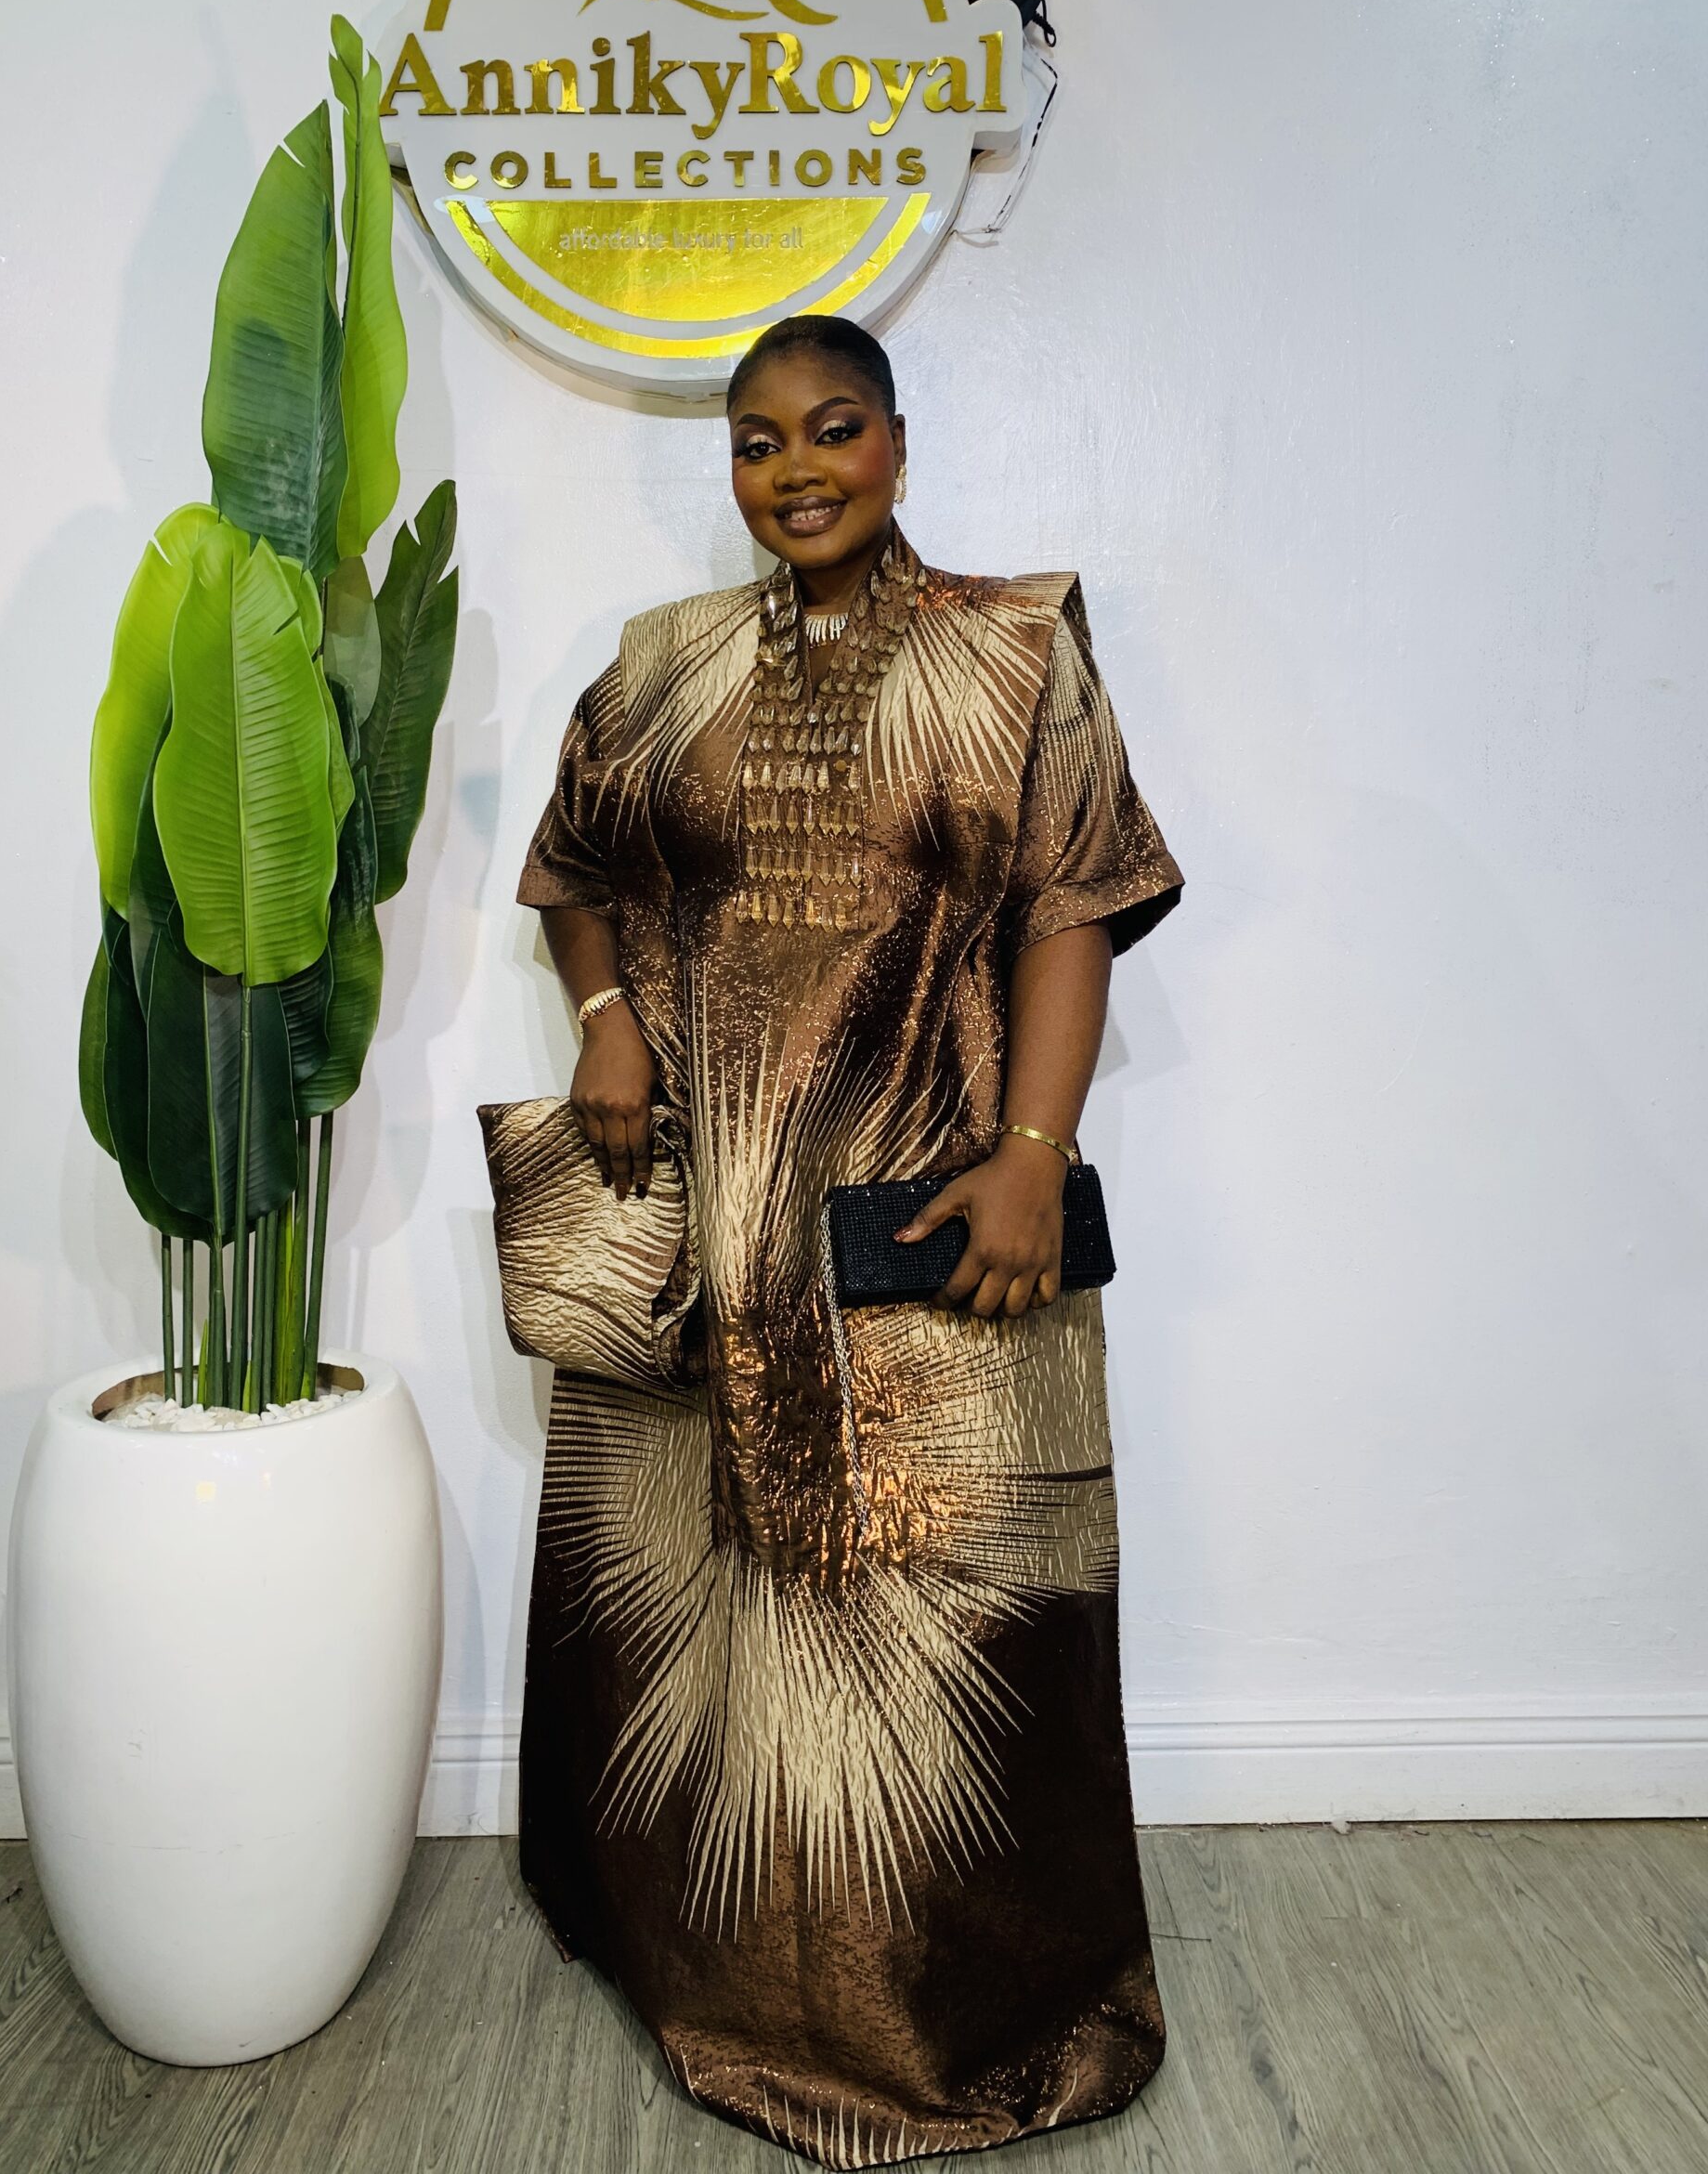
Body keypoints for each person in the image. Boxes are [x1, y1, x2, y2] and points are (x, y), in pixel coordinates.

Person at [513, 312, 1184, 2164]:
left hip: (928, 1218)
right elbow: (576, 872)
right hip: (710, 1232)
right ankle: (719, 1975)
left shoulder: (1014, 645)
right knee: (711, 1616)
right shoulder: (660, 666)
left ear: (896, 438)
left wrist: (1036, 1150)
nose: (795, 469)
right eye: (757, 441)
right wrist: (604, 1019)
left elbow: (1073, 905)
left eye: (832, 429)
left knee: (953, 1630)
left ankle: (969, 2023)